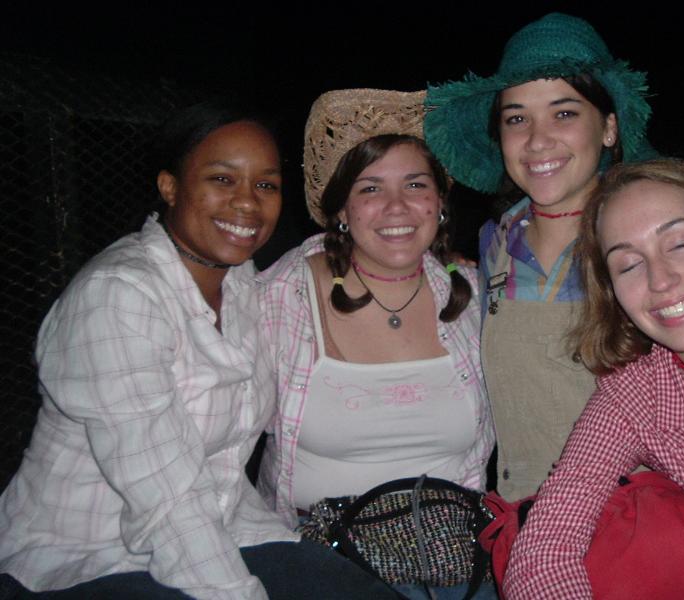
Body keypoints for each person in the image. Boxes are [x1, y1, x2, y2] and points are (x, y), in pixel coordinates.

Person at [0, 102, 398, 600]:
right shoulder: (117, 296)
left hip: (227, 526)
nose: (247, 202)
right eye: (222, 179)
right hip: (84, 556)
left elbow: (341, 263)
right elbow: (167, 497)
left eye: (266, 184)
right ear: (170, 187)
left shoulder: (242, 285)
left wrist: (446, 262)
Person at [504, 159, 684, 596]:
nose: (660, 280)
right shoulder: (635, 397)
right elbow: (546, 543)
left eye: (680, 243)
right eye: (628, 265)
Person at [254, 89, 496, 599]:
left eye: (415, 184)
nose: (396, 207)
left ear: (439, 202)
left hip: (455, 557)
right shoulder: (280, 297)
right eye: (370, 188)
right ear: (342, 208)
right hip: (318, 559)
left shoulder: (477, 300)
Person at [424, 13, 656, 500]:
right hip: (520, 521)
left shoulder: (651, 242)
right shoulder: (494, 245)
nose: (536, 139)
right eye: (516, 118)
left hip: (639, 520)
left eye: (564, 113)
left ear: (608, 127)